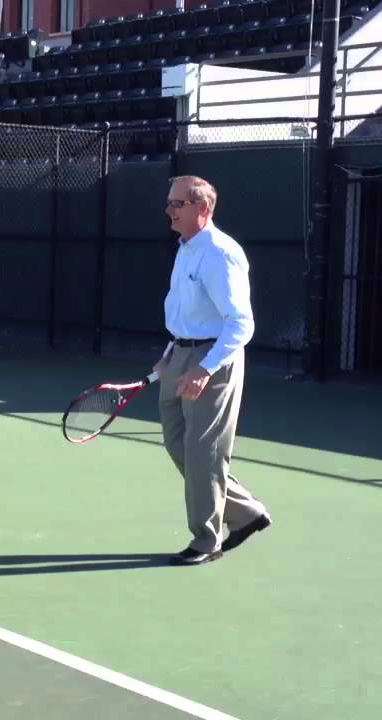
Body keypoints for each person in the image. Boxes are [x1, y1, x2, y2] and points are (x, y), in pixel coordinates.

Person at [154, 175, 271, 566]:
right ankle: (246, 513)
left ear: (202, 209)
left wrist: (204, 368)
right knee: (175, 441)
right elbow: (186, 311)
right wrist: (170, 352)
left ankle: (207, 540)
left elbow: (241, 323)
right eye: (169, 203)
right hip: (180, 355)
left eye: (177, 205)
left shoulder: (220, 253)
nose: (169, 211)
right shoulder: (185, 248)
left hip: (212, 359)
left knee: (202, 451)